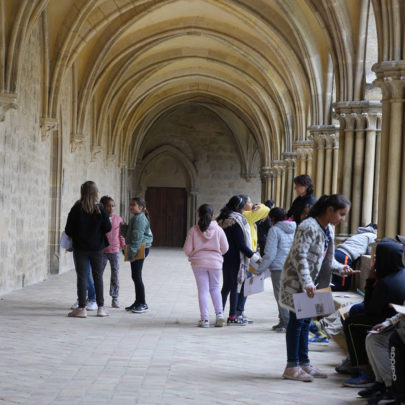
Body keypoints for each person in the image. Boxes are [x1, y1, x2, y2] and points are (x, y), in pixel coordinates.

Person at [279, 194, 356, 382]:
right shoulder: (308, 226)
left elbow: (325, 257)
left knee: (305, 323)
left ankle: (304, 363)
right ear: (329, 210)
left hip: (313, 283)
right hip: (300, 283)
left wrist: (340, 268)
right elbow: (300, 255)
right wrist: (307, 282)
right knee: (297, 323)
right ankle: (292, 366)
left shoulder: (327, 228)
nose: (343, 219)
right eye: (341, 214)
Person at [342, 240, 405, 388]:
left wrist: (370, 279)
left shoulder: (387, 282)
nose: (375, 259)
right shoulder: (400, 273)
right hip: (390, 315)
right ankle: (355, 359)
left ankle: (364, 371)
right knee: (355, 310)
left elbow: (370, 308)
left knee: (351, 324)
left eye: (378, 256)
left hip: (389, 319)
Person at [65, 181, 112, 318]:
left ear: (82, 191)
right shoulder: (100, 209)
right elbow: (108, 228)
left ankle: (81, 308)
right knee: (98, 276)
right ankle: (101, 308)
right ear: (96, 192)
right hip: (97, 248)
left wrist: (79, 235)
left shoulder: (77, 208)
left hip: (81, 248)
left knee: (82, 277)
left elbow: (68, 229)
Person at [217, 195, 261, 325]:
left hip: (225, 257)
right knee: (235, 287)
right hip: (236, 258)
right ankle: (232, 316)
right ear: (239, 207)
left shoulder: (223, 218)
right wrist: (255, 258)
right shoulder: (235, 221)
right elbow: (241, 244)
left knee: (226, 287)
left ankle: (220, 313)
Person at [184, 204, 229, 327]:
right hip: (215, 263)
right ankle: (219, 314)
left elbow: (187, 249)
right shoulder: (219, 229)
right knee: (215, 288)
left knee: (203, 290)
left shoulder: (193, 230)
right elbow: (225, 248)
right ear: (213, 216)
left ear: (198, 215)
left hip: (198, 263)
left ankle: (205, 320)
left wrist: (194, 254)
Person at [256, 207, 296, 332]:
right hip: (293, 266)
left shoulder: (274, 230)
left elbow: (270, 254)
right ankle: (283, 321)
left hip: (279, 267)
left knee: (280, 296)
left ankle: (286, 323)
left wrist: (260, 269)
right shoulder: (295, 228)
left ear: (272, 218)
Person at [362, 301, 405, 404]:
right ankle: (381, 383)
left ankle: (392, 389)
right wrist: (386, 323)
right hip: (400, 329)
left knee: (394, 340)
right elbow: (402, 313)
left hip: (401, 334)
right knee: (372, 338)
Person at [237, 194, 270, 323]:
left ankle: (239, 311)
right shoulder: (246, 216)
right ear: (243, 205)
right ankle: (238, 312)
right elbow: (266, 210)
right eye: (250, 202)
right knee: (245, 286)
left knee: (245, 285)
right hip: (248, 256)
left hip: (250, 255)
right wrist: (260, 206)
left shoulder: (247, 217)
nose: (252, 205)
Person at [121, 197, 153, 314]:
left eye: (133, 205)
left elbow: (137, 239)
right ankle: (138, 301)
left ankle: (142, 303)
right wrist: (124, 226)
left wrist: (132, 255)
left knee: (137, 276)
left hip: (140, 249)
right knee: (135, 276)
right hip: (138, 248)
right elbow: (129, 234)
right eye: (130, 204)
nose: (130, 207)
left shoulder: (139, 219)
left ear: (141, 207)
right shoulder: (136, 218)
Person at [332, 224, 377, 291]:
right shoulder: (372, 236)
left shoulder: (360, 234)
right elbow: (371, 250)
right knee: (343, 286)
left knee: (335, 281)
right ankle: (322, 289)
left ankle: (323, 289)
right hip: (345, 256)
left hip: (338, 252)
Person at [100, 195, 126, 308]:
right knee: (97, 275)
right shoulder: (99, 218)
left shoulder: (119, 219)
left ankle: (115, 298)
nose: (111, 208)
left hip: (114, 250)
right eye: (108, 206)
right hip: (101, 251)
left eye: (112, 206)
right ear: (103, 207)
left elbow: (121, 235)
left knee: (115, 274)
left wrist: (124, 247)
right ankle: (92, 297)